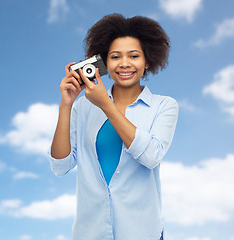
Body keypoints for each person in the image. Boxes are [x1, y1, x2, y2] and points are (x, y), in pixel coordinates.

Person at [49, 13, 178, 240]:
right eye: (115, 56)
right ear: (104, 64)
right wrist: (66, 105)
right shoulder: (84, 107)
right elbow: (60, 167)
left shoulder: (164, 106)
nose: (125, 63)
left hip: (142, 232)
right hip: (90, 232)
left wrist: (106, 105)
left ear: (147, 61)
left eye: (134, 56)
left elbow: (151, 156)